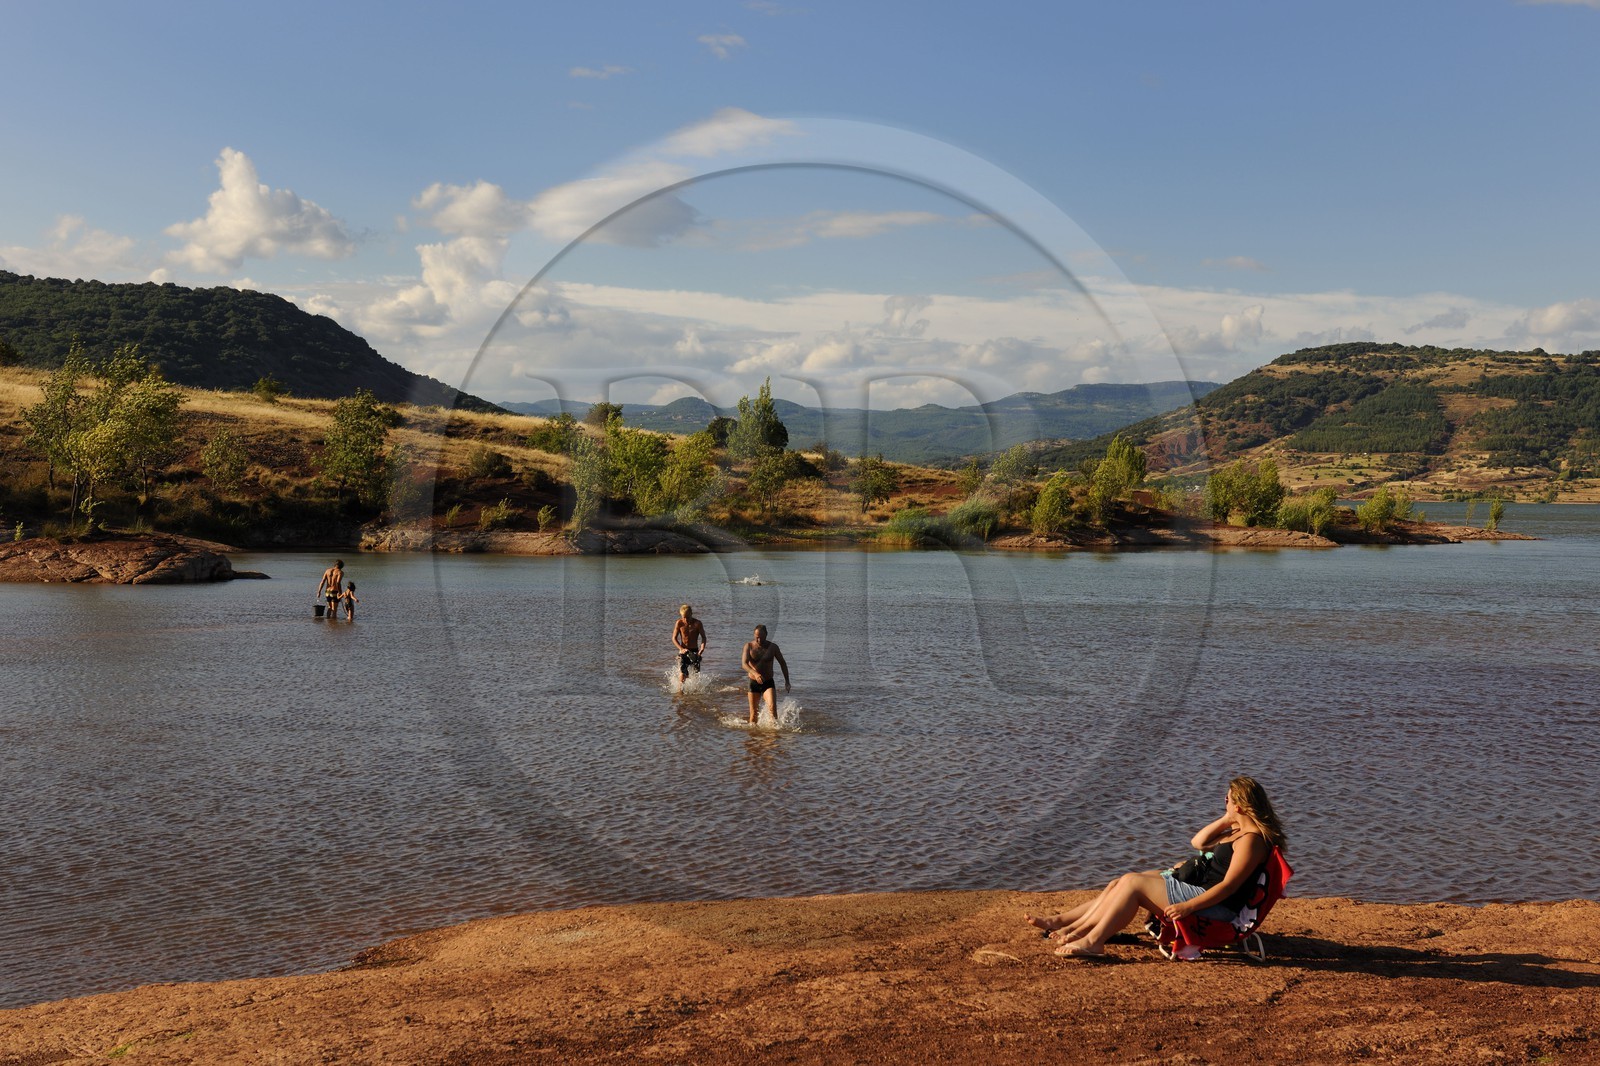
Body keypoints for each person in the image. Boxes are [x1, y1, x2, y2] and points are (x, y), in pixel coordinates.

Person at [1023, 776, 1288, 958]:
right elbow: (1198, 842)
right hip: (1199, 889)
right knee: (1121, 882)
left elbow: (1229, 887)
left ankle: (1093, 942)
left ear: (1239, 806)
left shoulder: (1251, 841)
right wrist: (1227, 819)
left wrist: (1188, 907)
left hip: (1213, 906)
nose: (1224, 802)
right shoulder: (1237, 831)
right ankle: (1070, 926)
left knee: (1133, 884)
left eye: (1227, 800)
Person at [740, 624, 790, 725]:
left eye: (761, 637)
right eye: (756, 637)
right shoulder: (749, 646)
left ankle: (773, 733)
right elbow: (744, 664)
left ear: (766, 635)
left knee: (772, 709)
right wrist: (755, 674)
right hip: (753, 683)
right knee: (753, 714)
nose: (758, 640)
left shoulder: (773, 647)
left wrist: (787, 681)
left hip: (768, 682)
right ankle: (753, 734)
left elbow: (782, 663)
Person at [672, 604, 708, 684]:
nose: (686, 619)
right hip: (684, 650)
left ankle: (695, 690)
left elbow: (703, 637)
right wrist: (681, 649)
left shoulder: (698, 623)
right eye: (684, 617)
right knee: (683, 672)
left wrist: (702, 649)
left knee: (696, 673)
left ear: (691, 613)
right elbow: (674, 638)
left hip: (695, 651)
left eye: (687, 617)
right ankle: (680, 690)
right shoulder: (679, 623)